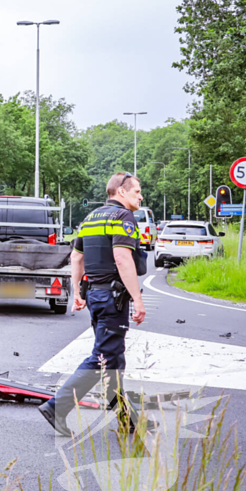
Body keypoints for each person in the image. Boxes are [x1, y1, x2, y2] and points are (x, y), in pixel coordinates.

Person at [39, 172, 147, 437]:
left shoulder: (90, 218)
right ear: (120, 192)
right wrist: (137, 299)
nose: (140, 196)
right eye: (136, 192)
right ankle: (57, 406)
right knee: (103, 358)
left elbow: (76, 258)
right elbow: (122, 258)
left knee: (114, 359)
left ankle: (127, 420)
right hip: (113, 297)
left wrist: (78, 291)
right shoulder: (123, 217)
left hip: (97, 297)